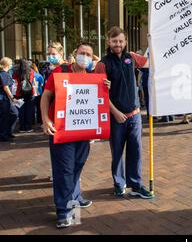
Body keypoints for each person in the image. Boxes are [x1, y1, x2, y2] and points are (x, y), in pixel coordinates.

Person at [41, 41, 110, 228]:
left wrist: (104, 88)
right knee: (64, 170)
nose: (85, 57)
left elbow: (96, 103)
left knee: (77, 166)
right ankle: (64, 211)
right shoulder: (60, 72)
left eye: (89, 54)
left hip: (82, 133)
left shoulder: (92, 77)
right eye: (82, 53)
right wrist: (45, 119)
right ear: (75, 53)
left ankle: (73, 198)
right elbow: (46, 96)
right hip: (61, 131)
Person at [95, 26, 153, 199]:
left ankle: (135, 185)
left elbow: (151, 62)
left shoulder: (132, 58)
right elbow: (101, 94)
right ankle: (119, 184)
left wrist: (153, 41)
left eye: (121, 41)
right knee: (118, 152)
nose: (118, 44)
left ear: (125, 41)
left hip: (134, 115)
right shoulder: (102, 64)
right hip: (116, 117)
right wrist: (114, 112)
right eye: (114, 41)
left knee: (135, 151)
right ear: (108, 42)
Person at [13, 59, 36, 133]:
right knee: (29, 110)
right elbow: (32, 81)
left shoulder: (16, 72)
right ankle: (28, 127)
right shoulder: (31, 71)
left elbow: (15, 82)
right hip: (30, 93)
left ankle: (22, 127)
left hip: (19, 94)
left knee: (21, 111)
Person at [0, 57, 19, 142]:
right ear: (7, 64)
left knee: (14, 113)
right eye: (11, 63)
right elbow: (6, 87)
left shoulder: (5, 73)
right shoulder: (4, 74)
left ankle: (8, 132)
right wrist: (12, 97)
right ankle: (3, 135)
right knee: (4, 117)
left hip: (6, 98)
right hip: (4, 98)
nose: (12, 65)